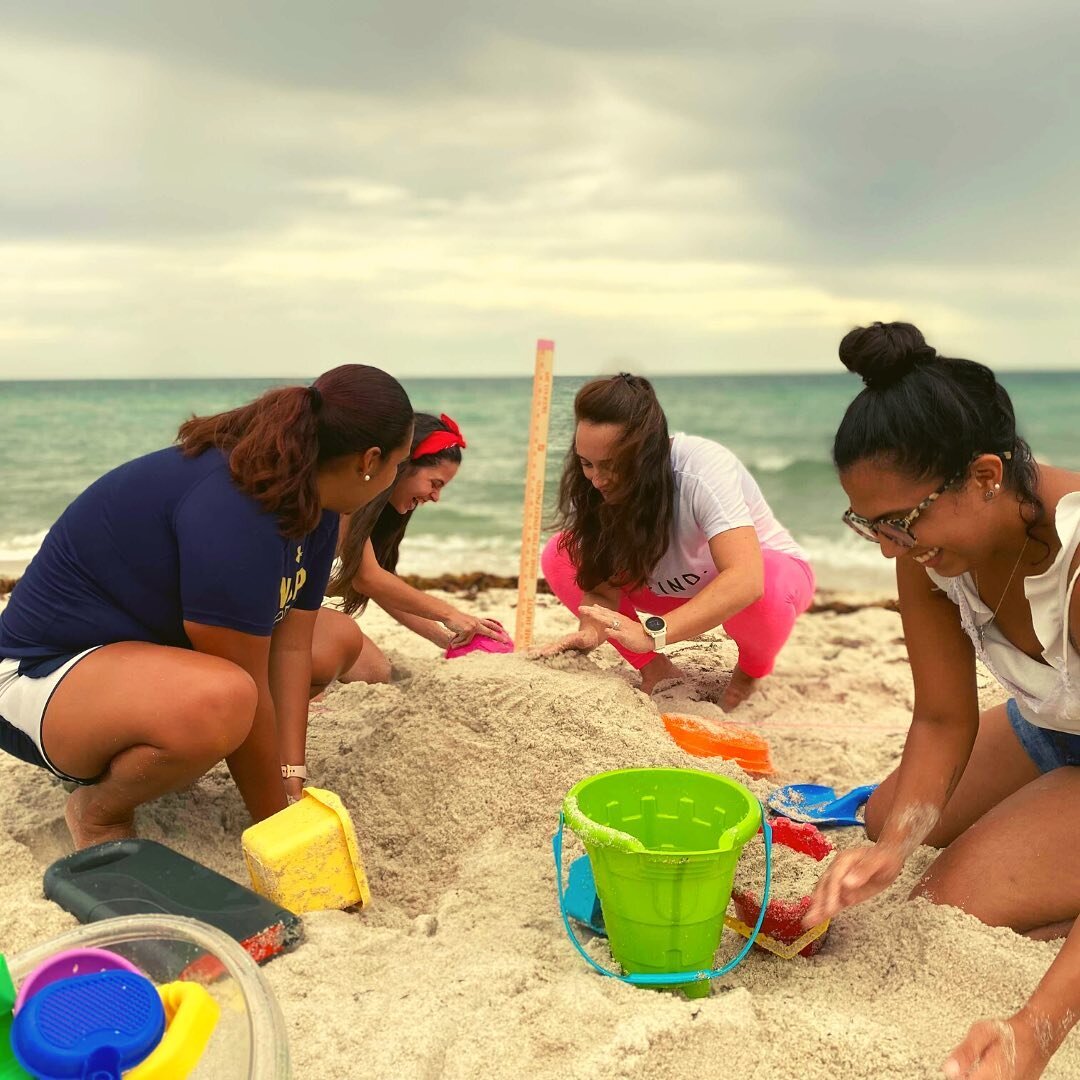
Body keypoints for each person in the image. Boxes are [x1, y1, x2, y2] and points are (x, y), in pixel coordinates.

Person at [804, 322, 1080, 1080]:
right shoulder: (927, 550)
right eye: (867, 525)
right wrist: (895, 844)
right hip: (1055, 726)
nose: (887, 545)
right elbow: (941, 716)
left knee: (951, 899)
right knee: (879, 821)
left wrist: (1035, 1031)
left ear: (986, 476)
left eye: (899, 521)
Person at [0, 365, 413, 849]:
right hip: (41, 678)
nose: (396, 478)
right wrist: (283, 832)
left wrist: (291, 779)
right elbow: (246, 682)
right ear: (369, 459)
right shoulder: (235, 508)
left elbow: (292, 648)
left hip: (137, 665)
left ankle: (169, 744)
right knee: (227, 699)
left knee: (334, 638)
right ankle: (98, 812)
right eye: (400, 464)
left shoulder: (314, 498)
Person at [537, 373, 814, 709]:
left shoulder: (701, 467)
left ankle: (749, 674)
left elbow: (746, 579)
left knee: (765, 582)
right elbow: (602, 589)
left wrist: (652, 632)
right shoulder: (594, 486)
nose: (597, 480)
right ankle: (656, 669)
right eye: (586, 463)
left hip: (757, 587)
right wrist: (591, 632)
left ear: (646, 453)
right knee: (560, 552)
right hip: (666, 592)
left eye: (610, 465)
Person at [307, 414, 507, 734]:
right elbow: (368, 579)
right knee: (343, 646)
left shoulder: (375, 512)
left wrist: (446, 639)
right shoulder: (347, 495)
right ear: (402, 465)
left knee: (374, 672)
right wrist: (451, 614)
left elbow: (383, 585)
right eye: (435, 483)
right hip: (270, 604)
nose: (436, 497)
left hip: (291, 604)